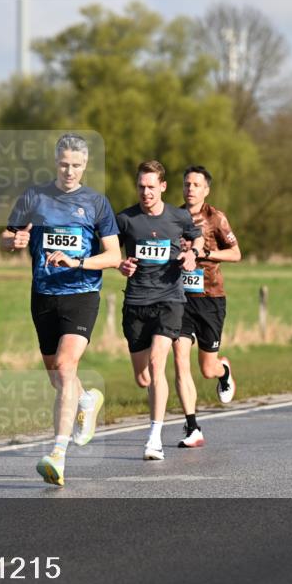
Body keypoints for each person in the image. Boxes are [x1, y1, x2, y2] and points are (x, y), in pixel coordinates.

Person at [0, 133, 122, 485]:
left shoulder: (97, 204)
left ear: (85, 166)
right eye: (64, 164)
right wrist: (14, 240)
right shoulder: (34, 196)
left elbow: (113, 256)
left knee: (67, 366)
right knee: (56, 375)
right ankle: (86, 400)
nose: (70, 171)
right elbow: (8, 236)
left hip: (81, 293)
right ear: (56, 162)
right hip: (43, 294)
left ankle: (57, 454)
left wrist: (78, 262)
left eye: (77, 166)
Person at [116, 161, 203, 460]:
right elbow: (110, 251)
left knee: (157, 363)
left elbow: (198, 237)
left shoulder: (178, 217)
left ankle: (154, 437)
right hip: (136, 303)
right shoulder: (126, 219)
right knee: (143, 378)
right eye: (141, 186)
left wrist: (192, 253)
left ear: (163, 187)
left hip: (170, 300)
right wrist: (120, 264)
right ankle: (154, 425)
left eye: (151, 186)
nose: (146, 192)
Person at [174, 165, 241, 448]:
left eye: (196, 185)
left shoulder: (216, 218)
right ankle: (192, 426)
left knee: (207, 368)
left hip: (211, 299)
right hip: (180, 299)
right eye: (187, 184)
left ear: (206, 190)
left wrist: (207, 253)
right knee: (179, 357)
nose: (190, 189)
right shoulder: (173, 216)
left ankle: (223, 371)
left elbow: (237, 253)